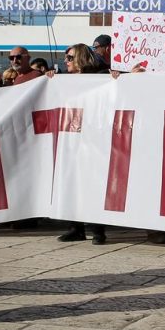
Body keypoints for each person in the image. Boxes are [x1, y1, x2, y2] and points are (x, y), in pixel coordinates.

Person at [50, 43, 107, 244]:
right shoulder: (63, 81)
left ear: (81, 58)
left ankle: (97, 230)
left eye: (70, 58)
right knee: (70, 183)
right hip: (70, 136)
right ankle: (76, 227)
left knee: (91, 184)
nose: (66, 61)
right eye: (66, 58)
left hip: (92, 138)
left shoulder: (100, 76)